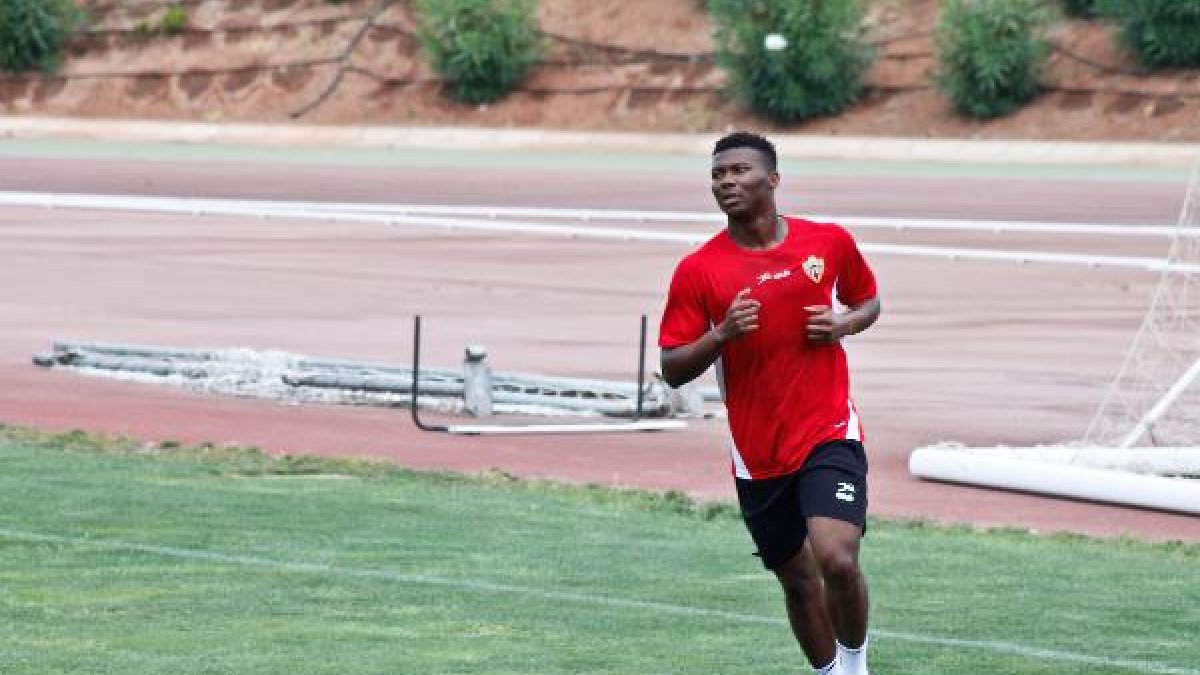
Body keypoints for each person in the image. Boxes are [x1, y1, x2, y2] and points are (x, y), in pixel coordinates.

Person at [658, 131, 881, 675]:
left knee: (836, 558)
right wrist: (721, 335)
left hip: (827, 429)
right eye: (718, 175)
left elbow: (867, 300)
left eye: (738, 171)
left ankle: (855, 669)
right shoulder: (699, 269)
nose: (726, 182)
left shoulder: (826, 243)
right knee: (798, 579)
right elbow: (671, 368)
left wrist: (844, 323)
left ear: (773, 179)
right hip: (758, 452)